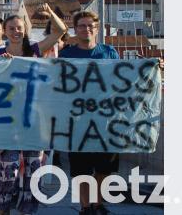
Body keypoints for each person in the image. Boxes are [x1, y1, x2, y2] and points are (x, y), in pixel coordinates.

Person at [0, 4, 67, 215]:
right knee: (9, 170)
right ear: (5, 31)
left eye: (19, 28)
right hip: (8, 121)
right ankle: (4, 208)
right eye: (11, 28)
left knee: (34, 169)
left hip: (34, 120)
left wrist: (51, 13)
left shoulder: (34, 51)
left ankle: (28, 209)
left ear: (25, 29)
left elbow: (60, 32)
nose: (16, 32)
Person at [59, 11, 119, 215]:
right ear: (76, 29)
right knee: (81, 168)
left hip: (105, 120)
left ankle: (97, 202)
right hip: (77, 121)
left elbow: (125, 78)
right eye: (82, 26)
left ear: (97, 28)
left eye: (91, 26)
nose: (87, 29)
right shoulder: (67, 55)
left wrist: (152, 68)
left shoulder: (109, 52)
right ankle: (85, 207)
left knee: (105, 167)